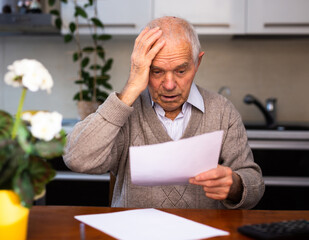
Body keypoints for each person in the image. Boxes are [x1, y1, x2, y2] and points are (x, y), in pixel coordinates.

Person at [63, 16, 265, 209]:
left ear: (197, 64)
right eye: (157, 71)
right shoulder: (126, 112)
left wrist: (235, 185)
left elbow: (254, 185)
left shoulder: (222, 111)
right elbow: (77, 159)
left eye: (180, 71)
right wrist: (131, 88)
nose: (169, 85)